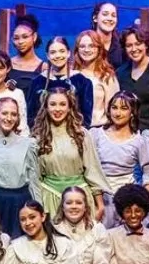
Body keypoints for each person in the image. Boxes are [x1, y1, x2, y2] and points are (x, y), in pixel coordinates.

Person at [30, 86, 110, 219]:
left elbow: (92, 169)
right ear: (46, 107)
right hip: (50, 197)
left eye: (62, 104)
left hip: (79, 197)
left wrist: (100, 205)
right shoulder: (37, 137)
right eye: (53, 104)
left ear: (69, 107)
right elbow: (35, 178)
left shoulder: (81, 134)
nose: (57, 109)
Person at [90, 91, 149, 227]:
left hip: (127, 198)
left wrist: (138, 202)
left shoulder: (140, 141)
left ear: (132, 112)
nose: (118, 113)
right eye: (114, 107)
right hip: (99, 197)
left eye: (124, 108)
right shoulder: (96, 135)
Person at [0, 97, 39, 239]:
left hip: (21, 200)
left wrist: (39, 208)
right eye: (4, 113)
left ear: (18, 117)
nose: (9, 118)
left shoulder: (28, 144)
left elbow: (34, 180)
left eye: (13, 114)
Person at [27, 36, 94, 127]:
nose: (58, 56)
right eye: (53, 52)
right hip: (44, 136)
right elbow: (31, 116)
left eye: (62, 51)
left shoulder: (82, 81)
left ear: (68, 53)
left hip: (73, 136)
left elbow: (86, 119)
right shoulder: (37, 82)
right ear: (48, 55)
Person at [72, 31, 120, 127]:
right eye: (82, 46)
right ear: (77, 49)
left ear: (99, 49)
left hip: (98, 130)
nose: (86, 50)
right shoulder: (71, 74)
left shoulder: (107, 77)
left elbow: (113, 111)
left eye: (91, 46)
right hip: (72, 130)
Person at [8, 14, 44, 99]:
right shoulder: (7, 64)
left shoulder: (44, 68)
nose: (20, 42)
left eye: (25, 37)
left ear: (34, 37)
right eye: (16, 38)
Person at [91, 2, 124, 68]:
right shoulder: (87, 41)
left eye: (113, 15)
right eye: (105, 14)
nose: (110, 19)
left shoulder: (122, 42)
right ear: (95, 18)